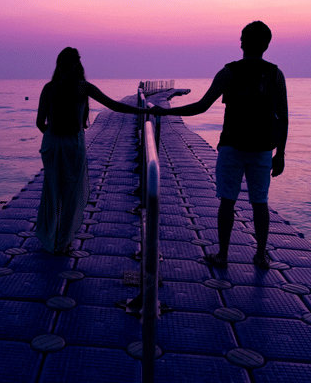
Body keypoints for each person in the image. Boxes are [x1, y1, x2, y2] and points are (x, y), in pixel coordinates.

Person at [152, 21, 288, 269]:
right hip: (262, 149)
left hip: (232, 146)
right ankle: (260, 255)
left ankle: (223, 255)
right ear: (267, 45)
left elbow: (201, 106)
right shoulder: (276, 74)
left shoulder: (228, 72)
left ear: (242, 42)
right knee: (260, 202)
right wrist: (281, 154)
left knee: (227, 201)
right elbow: (284, 115)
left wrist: (165, 112)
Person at [36, 47, 149, 255]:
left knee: (52, 192)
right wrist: (143, 110)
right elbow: (114, 106)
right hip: (72, 144)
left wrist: (52, 137)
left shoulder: (48, 88)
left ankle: (49, 236)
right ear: (77, 65)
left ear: (58, 65)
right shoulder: (83, 88)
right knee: (71, 193)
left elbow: (39, 122)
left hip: (51, 143)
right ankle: (63, 243)